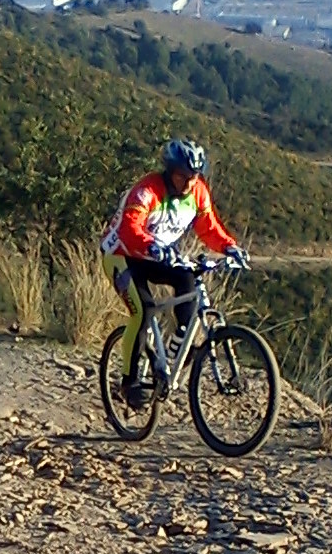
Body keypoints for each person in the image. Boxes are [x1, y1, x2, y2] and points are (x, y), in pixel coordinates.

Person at [100, 138, 248, 409]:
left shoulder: (197, 192)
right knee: (143, 311)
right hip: (123, 255)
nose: (190, 183)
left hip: (159, 256)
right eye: (184, 176)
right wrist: (151, 245)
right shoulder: (147, 190)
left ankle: (171, 358)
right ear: (170, 171)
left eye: (195, 176)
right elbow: (130, 228)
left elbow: (208, 228)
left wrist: (230, 247)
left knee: (188, 284)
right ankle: (129, 382)